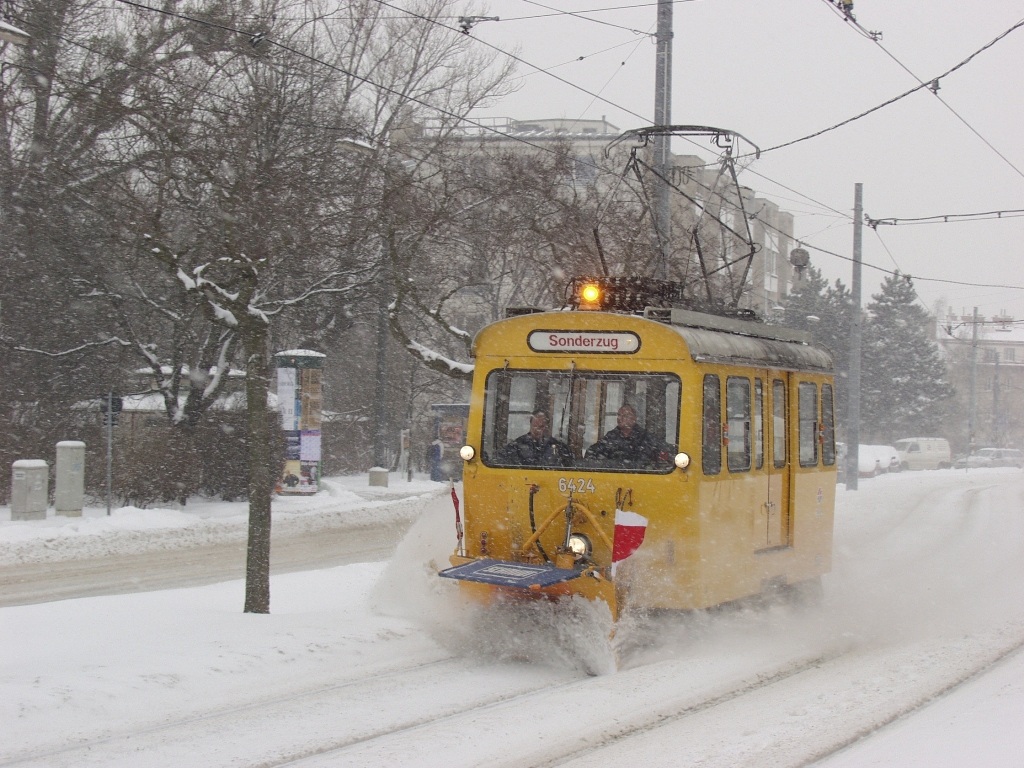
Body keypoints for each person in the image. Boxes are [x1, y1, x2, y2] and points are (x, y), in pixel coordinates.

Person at [586, 404, 671, 468]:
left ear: (634, 419)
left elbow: (665, 451)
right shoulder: (611, 436)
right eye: (619, 415)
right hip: (613, 477)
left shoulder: (645, 437)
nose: (620, 418)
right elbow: (592, 451)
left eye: (625, 416)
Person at [499, 411, 571, 467]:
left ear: (547, 427)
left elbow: (569, 467)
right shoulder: (517, 445)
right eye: (535, 426)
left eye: (541, 426)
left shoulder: (559, 447)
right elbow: (503, 463)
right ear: (530, 425)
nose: (537, 430)